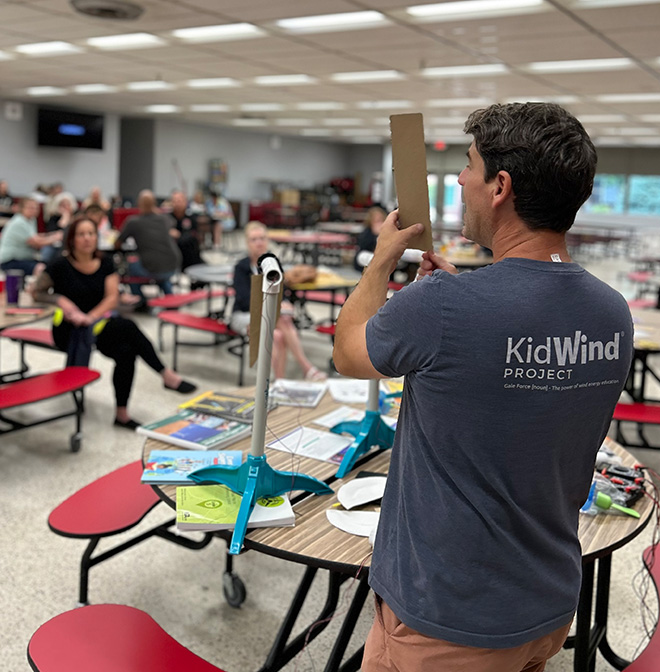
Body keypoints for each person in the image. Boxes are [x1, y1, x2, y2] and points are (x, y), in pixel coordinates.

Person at [333, 102, 634, 672]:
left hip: (447, 618)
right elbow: (521, 402)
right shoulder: (612, 313)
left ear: (500, 186)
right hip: (545, 604)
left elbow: (349, 353)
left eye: (468, 166)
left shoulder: (445, 305)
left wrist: (380, 266)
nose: (460, 180)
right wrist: (446, 318)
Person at [31, 216, 196, 429]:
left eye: (91, 233)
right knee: (127, 326)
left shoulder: (106, 263)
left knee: (126, 352)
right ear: (71, 239)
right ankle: (166, 375)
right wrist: (62, 301)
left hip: (96, 324)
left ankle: (122, 414)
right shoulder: (59, 265)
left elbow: (111, 298)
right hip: (68, 330)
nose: (87, 238)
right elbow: (37, 292)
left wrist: (89, 317)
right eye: (81, 234)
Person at [230, 221, 326, 381]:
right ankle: (306, 368)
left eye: (262, 238)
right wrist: (274, 307)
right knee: (280, 321)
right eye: (254, 239)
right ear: (247, 243)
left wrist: (285, 302)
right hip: (243, 315)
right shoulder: (241, 267)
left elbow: (282, 291)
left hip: (270, 317)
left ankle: (279, 382)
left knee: (279, 334)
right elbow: (244, 299)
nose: (259, 242)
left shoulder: (272, 265)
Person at [115, 189, 182, 301]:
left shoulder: (133, 222)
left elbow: (117, 244)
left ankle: (141, 301)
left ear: (139, 204)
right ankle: (170, 300)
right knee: (161, 273)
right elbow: (171, 225)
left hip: (153, 267)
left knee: (131, 267)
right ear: (155, 204)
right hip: (173, 264)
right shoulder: (165, 219)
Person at [0, 198, 61, 275]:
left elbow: (35, 236)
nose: (34, 210)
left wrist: (51, 235)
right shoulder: (20, 222)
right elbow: (36, 242)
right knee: (41, 268)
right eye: (30, 208)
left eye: (36, 208)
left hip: (25, 258)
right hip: (11, 261)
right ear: (22, 208)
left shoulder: (30, 220)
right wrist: (56, 237)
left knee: (53, 265)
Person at [168, 190, 205, 272]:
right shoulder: (167, 218)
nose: (177, 204)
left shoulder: (191, 218)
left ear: (185, 202)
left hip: (188, 251)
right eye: (175, 201)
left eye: (180, 201)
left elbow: (192, 235)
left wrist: (179, 235)